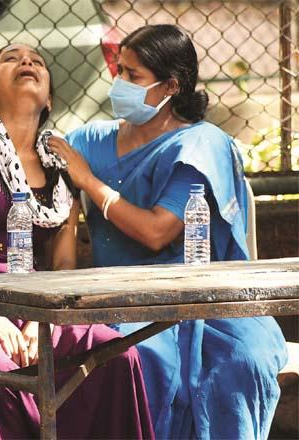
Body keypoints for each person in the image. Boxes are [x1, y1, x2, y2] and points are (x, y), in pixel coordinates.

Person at [47, 25, 288, 439]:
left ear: (170, 86)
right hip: (122, 307)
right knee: (136, 360)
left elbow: (157, 232)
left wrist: (89, 182)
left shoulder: (200, 144)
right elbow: (27, 154)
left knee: (241, 360)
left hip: (206, 302)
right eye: (118, 70)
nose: (119, 83)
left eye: (133, 75)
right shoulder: (88, 140)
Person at [0, 43, 155, 439]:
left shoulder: (61, 164)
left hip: (36, 302)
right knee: (5, 373)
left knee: (117, 355)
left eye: (37, 61)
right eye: (11, 58)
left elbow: (62, 266)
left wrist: (46, 318)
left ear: (50, 98)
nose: (27, 62)